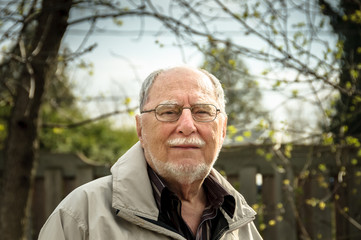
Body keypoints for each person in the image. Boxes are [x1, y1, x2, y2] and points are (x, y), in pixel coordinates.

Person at [38, 66, 262, 240]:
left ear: (222, 130)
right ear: (140, 129)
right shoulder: (80, 215)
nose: (187, 125)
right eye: (168, 111)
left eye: (202, 111)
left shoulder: (240, 223)